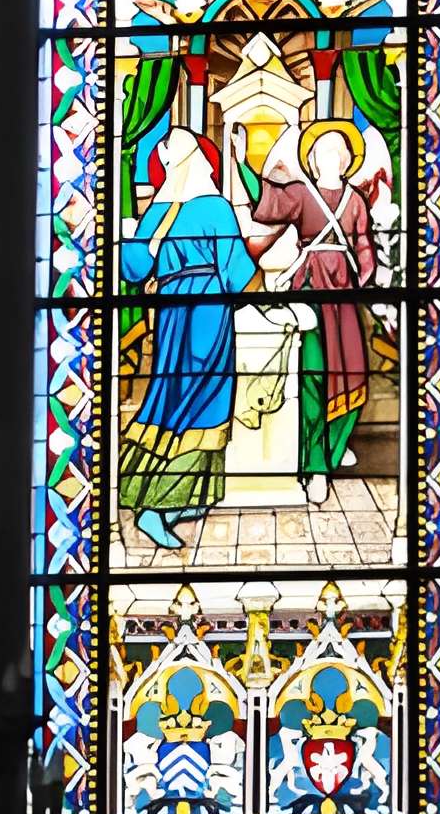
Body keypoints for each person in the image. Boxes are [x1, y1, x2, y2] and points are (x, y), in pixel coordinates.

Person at [118, 127, 274, 548]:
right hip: (207, 311)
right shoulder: (215, 207)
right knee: (202, 398)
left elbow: (131, 269)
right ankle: (154, 506)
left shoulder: (159, 210)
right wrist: (270, 289)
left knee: (172, 397)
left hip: (171, 312)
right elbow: (237, 269)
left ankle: (181, 500)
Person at [249, 121, 378, 504]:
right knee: (313, 378)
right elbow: (268, 202)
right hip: (308, 290)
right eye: (322, 151)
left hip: (344, 295)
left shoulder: (356, 199)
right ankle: (316, 464)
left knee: (352, 372)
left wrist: (372, 278)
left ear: (346, 159)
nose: (330, 158)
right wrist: (242, 162)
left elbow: (364, 244)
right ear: (313, 159)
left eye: (337, 152)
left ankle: (334, 448)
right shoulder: (303, 195)